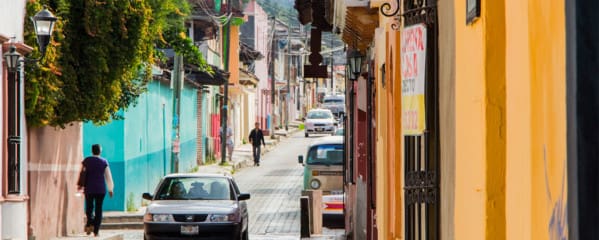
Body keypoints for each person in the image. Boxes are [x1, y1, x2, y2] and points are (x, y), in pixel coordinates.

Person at [78, 144, 114, 237]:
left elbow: (82, 173)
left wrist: (80, 185)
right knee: (99, 209)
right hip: (100, 190)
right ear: (100, 151)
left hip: (89, 189)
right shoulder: (104, 162)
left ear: (92, 151)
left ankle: (90, 223)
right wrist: (110, 189)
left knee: (89, 208)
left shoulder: (87, 161)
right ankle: (96, 230)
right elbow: (108, 176)